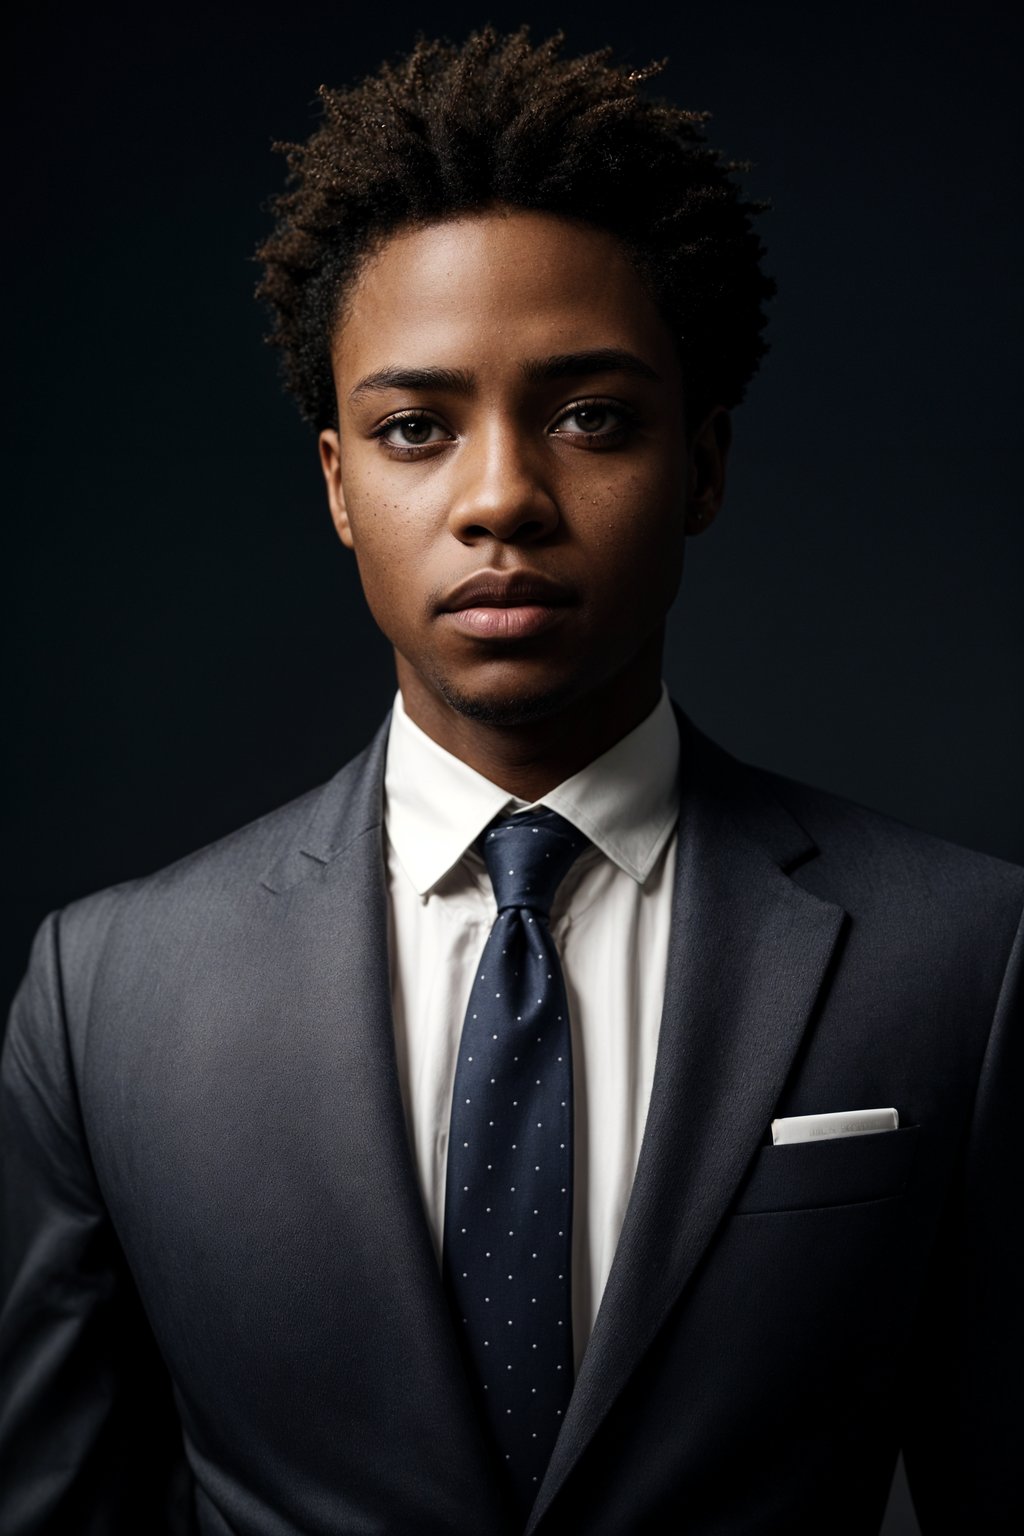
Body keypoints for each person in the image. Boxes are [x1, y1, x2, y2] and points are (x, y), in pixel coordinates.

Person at [1, 26, 1019, 1536]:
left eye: (591, 415)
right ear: (341, 484)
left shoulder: (966, 957)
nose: (500, 499)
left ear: (707, 461)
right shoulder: (109, 996)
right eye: (417, 429)